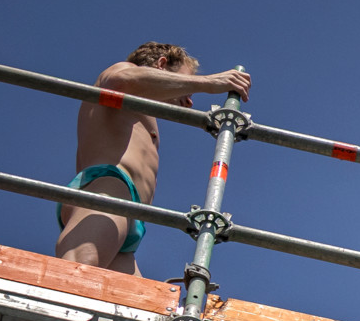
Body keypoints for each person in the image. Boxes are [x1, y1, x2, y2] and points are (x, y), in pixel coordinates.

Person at [55, 43, 251, 276]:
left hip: (131, 212)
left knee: (129, 304)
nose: (189, 101)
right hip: (109, 186)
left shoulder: (142, 111)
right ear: (161, 64)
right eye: (187, 85)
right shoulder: (123, 72)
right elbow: (119, 79)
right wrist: (208, 83)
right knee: (78, 272)